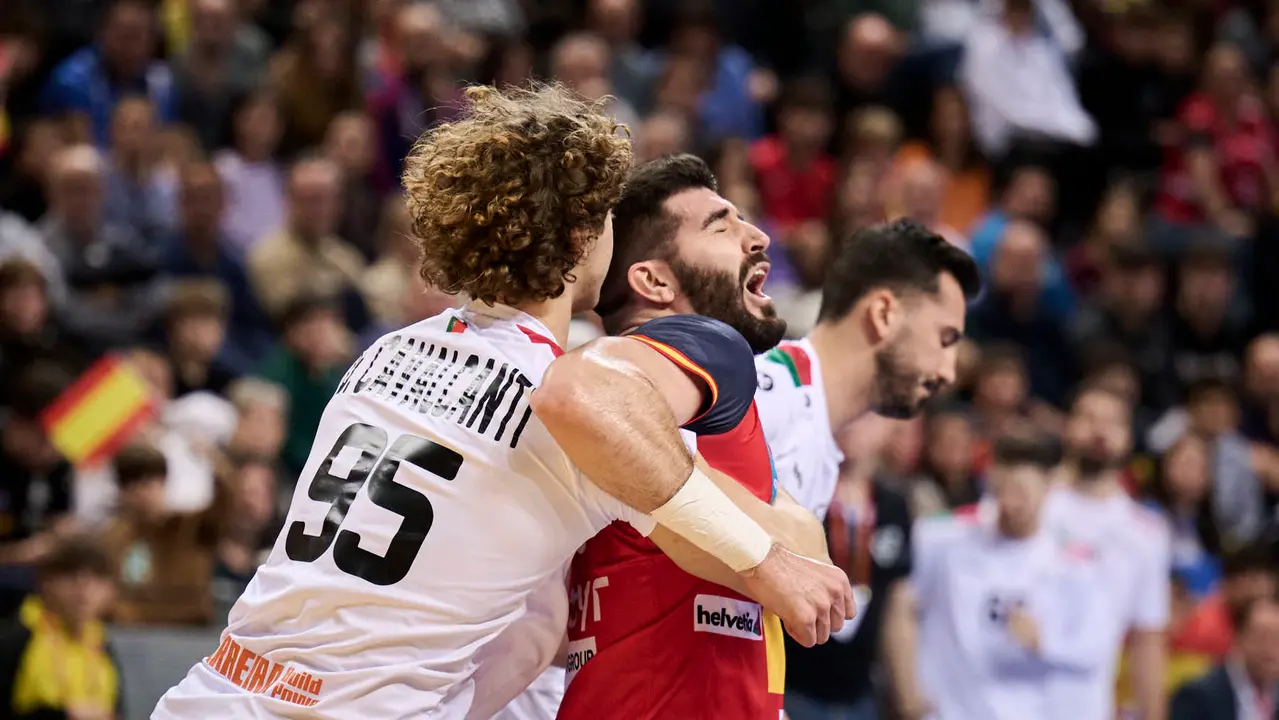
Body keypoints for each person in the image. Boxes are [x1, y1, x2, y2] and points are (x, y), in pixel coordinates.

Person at [153, 84, 850, 718]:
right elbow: (725, 540)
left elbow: (538, 627)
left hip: (211, 691)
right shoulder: (582, 404)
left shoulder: (384, 352)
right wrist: (773, 560)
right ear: (581, 237)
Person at [557, 154, 827, 719]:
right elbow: (809, 563)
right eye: (721, 225)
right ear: (654, 280)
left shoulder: (679, 406)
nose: (757, 238)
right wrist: (770, 547)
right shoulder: (703, 348)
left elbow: (811, 557)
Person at [751, 219, 979, 719]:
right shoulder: (765, 394)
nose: (949, 372)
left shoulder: (817, 441)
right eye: (944, 338)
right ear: (883, 314)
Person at [913, 433, 1111, 720]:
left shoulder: (1075, 564)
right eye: (1004, 489)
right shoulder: (940, 538)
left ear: (1048, 487)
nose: (1012, 503)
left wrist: (1045, 642)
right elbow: (905, 607)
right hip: (948, 711)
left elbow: (1095, 647)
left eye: (1023, 491)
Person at [1042, 383, 1172, 720]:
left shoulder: (1146, 532)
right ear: (1067, 426)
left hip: (1086, 705)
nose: (1100, 431)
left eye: (1113, 422)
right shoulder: (1029, 504)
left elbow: (1147, 639)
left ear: (1128, 437)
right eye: (1088, 418)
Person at [1170, 596, 1279, 720]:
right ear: (1238, 637)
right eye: (1262, 638)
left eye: (1277, 639)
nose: (1271, 650)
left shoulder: (1274, 694)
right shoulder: (1198, 696)